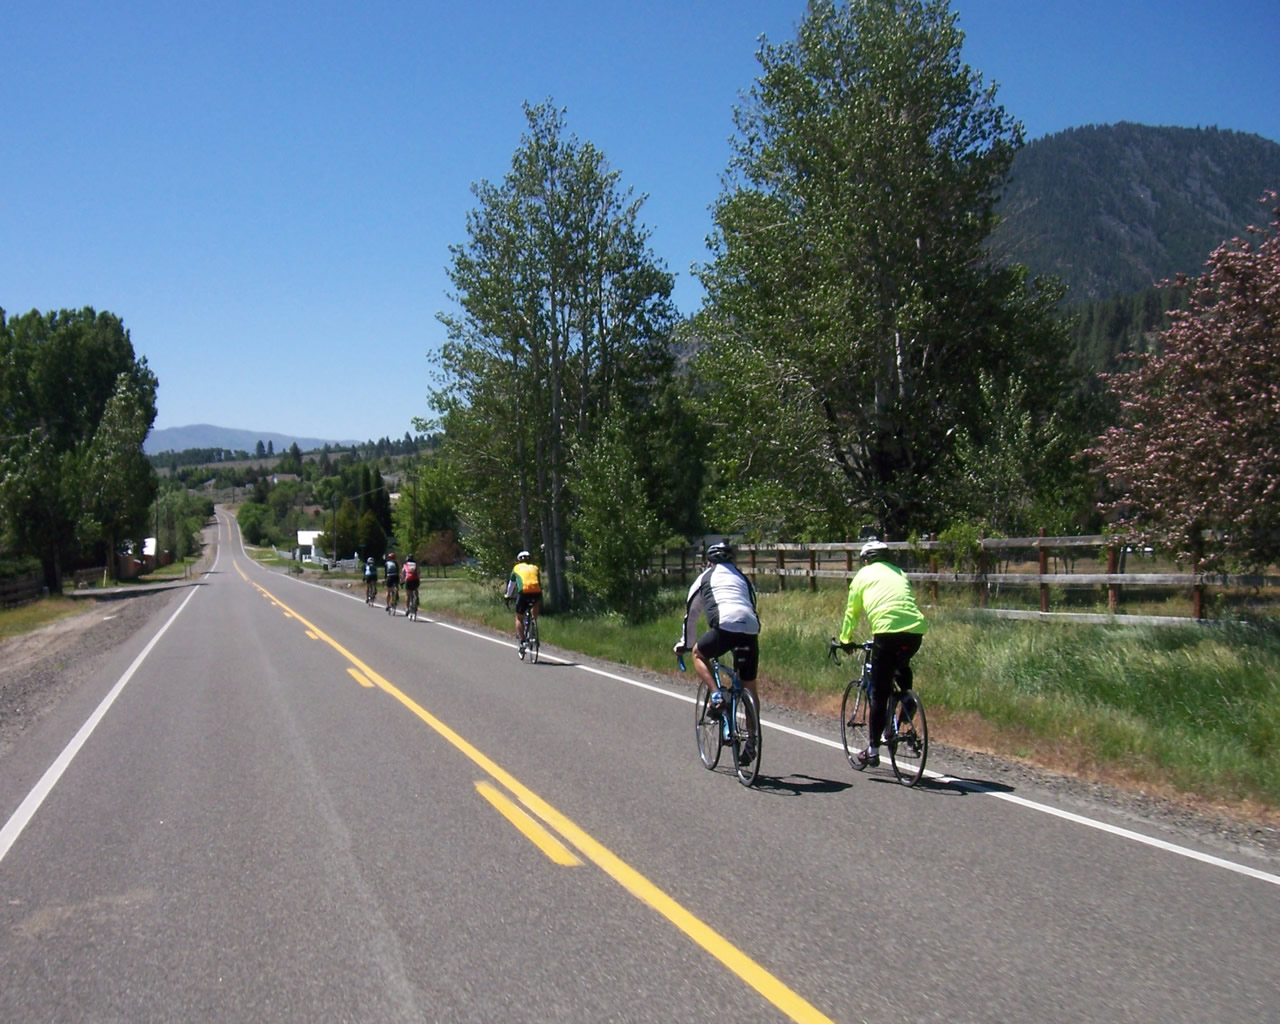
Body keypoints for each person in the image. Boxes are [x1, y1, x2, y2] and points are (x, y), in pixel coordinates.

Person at [836, 539, 928, 768]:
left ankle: (873, 751)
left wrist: (845, 640)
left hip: (886, 633)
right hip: (915, 631)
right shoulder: (900, 573)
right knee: (901, 665)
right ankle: (907, 698)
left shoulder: (862, 575)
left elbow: (852, 612)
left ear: (866, 560)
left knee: (879, 693)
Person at [674, 540, 761, 764]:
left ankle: (716, 694)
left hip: (724, 627)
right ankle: (753, 740)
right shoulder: (743, 578)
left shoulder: (704, 578)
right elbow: (752, 603)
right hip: (750, 628)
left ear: (709, 561)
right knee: (749, 686)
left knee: (698, 654)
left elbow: (691, 616)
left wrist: (685, 644)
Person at [504, 549, 542, 653]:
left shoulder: (516, 568)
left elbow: (511, 585)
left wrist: (507, 596)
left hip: (524, 593)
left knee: (519, 617)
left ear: (518, 560)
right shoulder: (535, 567)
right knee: (534, 607)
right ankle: (534, 626)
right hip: (536, 592)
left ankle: (522, 641)